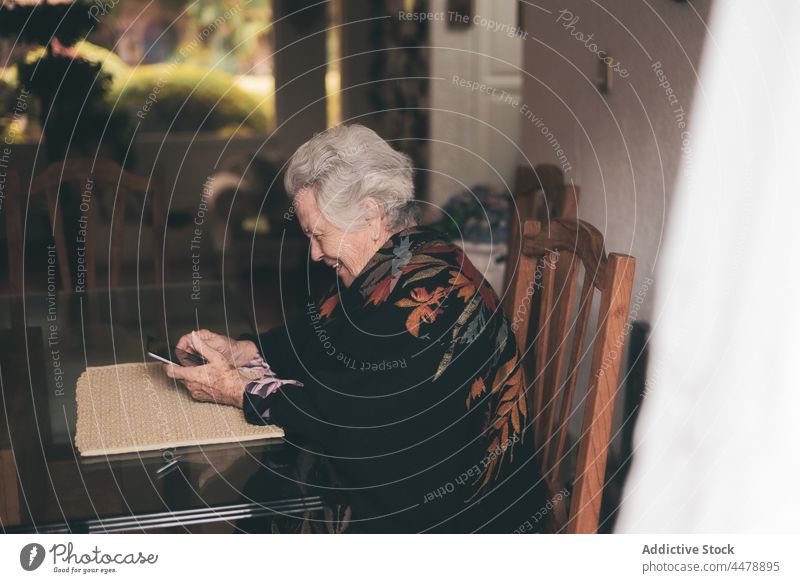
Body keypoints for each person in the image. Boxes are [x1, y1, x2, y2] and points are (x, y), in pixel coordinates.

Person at [166, 124, 547, 532]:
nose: (314, 253)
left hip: (460, 521)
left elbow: (357, 417)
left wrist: (239, 390)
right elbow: (320, 338)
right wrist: (242, 350)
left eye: (318, 234)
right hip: (417, 488)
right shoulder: (401, 258)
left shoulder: (435, 294)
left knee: (256, 512)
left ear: (370, 213)